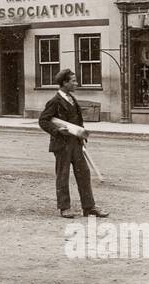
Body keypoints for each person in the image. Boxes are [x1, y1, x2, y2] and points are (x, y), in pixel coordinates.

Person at [38, 69, 108, 219]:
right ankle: (64, 208)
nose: (76, 83)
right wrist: (57, 131)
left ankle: (89, 208)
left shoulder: (72, 98)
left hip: (76, 144)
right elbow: (43, 121)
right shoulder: (54, 101)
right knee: (63, 176)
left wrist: (81, 136)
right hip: (62, 144)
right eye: (73, 81)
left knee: (84, 174)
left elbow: (77, 121)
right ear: (65, 83)